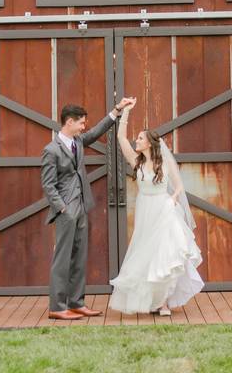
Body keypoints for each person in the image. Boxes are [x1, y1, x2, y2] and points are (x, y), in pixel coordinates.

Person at [41, 98, 135, 321]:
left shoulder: (78, 141)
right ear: (69, 122)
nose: (84, 127)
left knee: (79, 257)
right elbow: (48, 184)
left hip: (82, 206)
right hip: (66, 210)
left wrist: (117, 110)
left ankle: (76, 303)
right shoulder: (51, 150)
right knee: (62, 259)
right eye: (81, 123)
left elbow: (97, 130)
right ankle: (57, 306)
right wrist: (62, 208)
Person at [108, 97, 203, 316]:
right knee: (146, 253)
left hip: (164, 210)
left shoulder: (164, 163)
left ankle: (163, 303)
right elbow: (121, 137)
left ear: (150, 143)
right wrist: (127, 112)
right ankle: (152, 300)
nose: (136, 141)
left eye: (140, 138)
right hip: (145, 210)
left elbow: (179, 186)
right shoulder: (136, 161)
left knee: (165, 254)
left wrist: (173, 198)